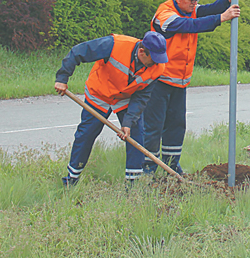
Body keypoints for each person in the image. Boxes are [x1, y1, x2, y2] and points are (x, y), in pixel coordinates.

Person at [142, 0, 241, 175]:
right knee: (153, 127)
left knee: (176, 126)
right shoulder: (166, 14)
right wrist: (221, 18)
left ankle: (171, 166)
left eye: (196, 0)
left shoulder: (188, 9)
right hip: (159, 80)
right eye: (192, 0)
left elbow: (206, 10)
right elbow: (188, 25)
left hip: (180, 81)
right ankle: (148, 168)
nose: (195, 4)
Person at [54, 31, 168, 186]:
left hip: (125, 97)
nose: (156, 63)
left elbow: (141, 97)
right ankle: (71, 180)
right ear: (142, 52)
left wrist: (128, 123)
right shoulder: (114, 45)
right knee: (86, 135)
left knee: (136, 135)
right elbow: (78, 52)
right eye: (153, 59)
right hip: (100, 93)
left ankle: (132, 186)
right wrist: (62, 78)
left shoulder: (157, 68)